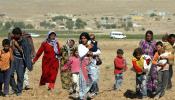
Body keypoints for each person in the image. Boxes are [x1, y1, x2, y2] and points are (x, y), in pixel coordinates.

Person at [10, 27, 33, 96]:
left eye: (16, 34)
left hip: (21, 60)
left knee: (20, 76)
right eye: (14, 34)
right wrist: (13, 45)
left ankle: (19, 91)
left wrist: (18, 46)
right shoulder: (12, 40)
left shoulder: (24, 41)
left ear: (20, 34)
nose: (15, 36)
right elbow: (12, 50)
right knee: (10, 74)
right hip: (14, 59)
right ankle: (15, 88)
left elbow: (24, 52)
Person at [78, 32, 92, 100]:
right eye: (82, 38)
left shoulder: (89, 45)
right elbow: (81, 55)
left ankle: (85, 93)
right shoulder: (80, 46)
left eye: (85, 38)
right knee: (82, 81)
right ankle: (82, 96)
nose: (83, 39)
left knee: (91, 80)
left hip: (89, 65)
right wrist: (88, 48)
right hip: (82, 65)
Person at [87, 33, 101, 98]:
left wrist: (92, 53)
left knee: (95, 78)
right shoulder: (86, 43)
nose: (91, 37)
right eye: (90, 36)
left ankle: (95, 90)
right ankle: (91, 90)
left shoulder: (96, 43)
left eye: (92, 36)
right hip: (87, 62)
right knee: (89, 78)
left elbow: (99, 51)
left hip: (94, 62)